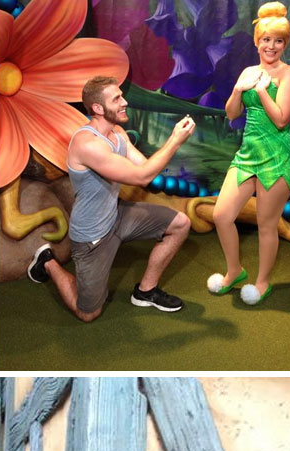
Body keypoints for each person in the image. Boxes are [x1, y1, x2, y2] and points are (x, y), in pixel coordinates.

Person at [27, 75, 195, 319]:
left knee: (180, 223)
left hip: (116, 216)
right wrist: (174, 141)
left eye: (121, 96)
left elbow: (145, 168)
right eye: (117, 98)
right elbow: (142, 178)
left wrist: (172, 146)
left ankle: (146, 292)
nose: (124, 101)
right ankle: (47, 262)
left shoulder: (117, 133)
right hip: (92, 235)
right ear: (97, 108)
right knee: (88, 313)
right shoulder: (88, 145)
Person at [208, 1, 290, 306]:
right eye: (266, 39)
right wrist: (238, 90)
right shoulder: (249, 71)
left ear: (284, 44)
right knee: (221, 215)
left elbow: (281, 119)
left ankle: (262, 283)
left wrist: (262, 90)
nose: (271, 46)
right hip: (248, 154)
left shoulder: (289, 75)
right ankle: (234, 271)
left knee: (265, 223)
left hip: (277, 156)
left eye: (278, 41)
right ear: (257, 41)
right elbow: (232, 114)